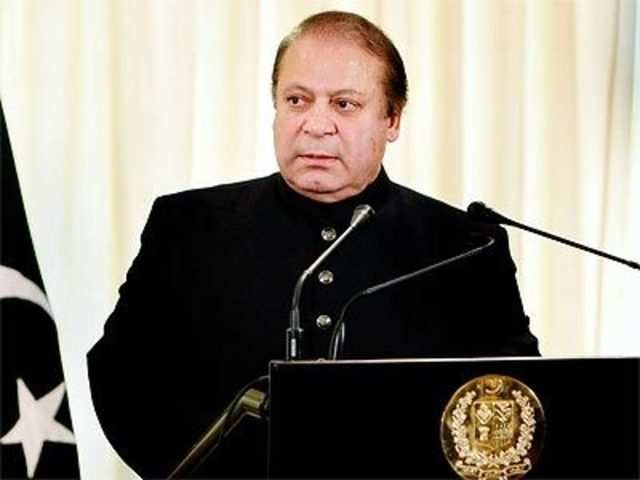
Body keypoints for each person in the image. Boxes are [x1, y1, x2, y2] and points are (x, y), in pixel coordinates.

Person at [88, 10, 539, 479]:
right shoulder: (189, 225)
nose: (316, 124)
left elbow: (515, 401)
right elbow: (122, 378)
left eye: (344, 104)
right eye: (297, 100)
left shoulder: (464, 245)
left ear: (392, 119)